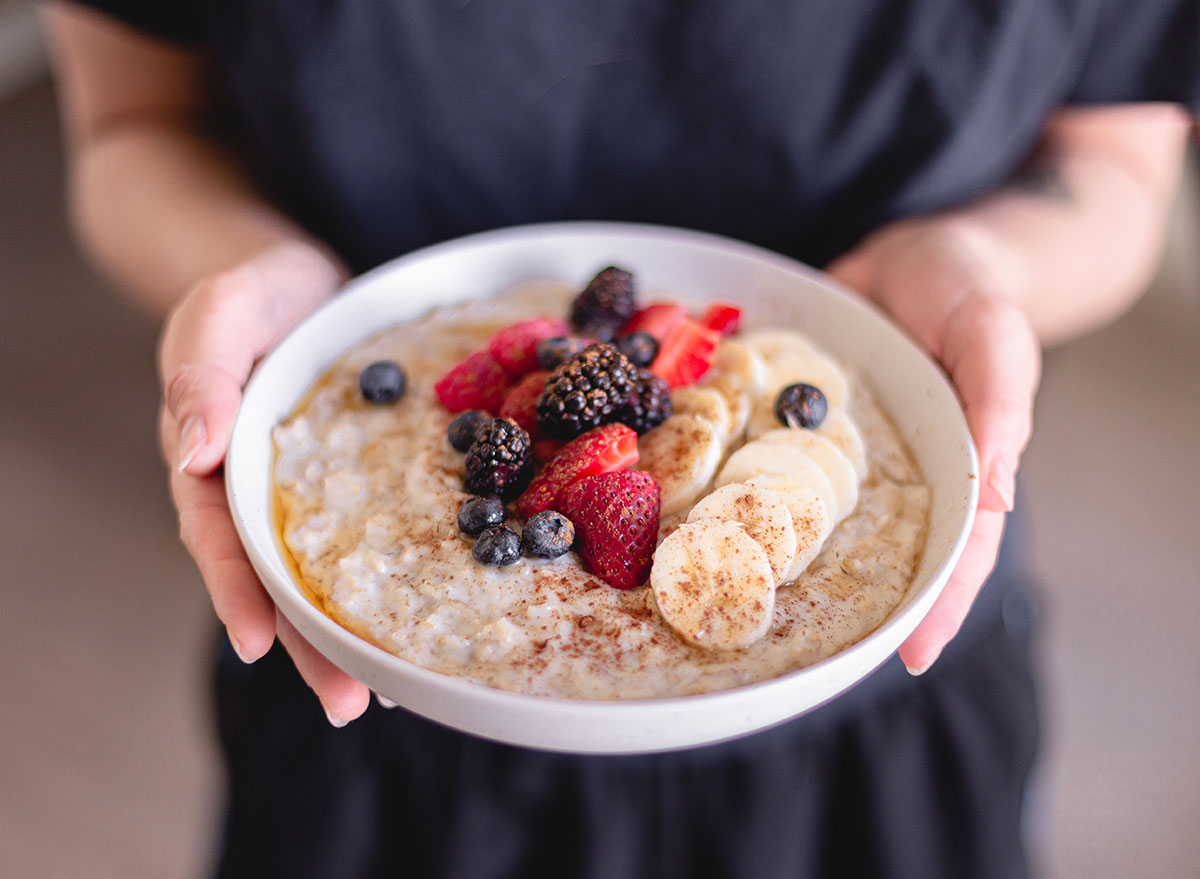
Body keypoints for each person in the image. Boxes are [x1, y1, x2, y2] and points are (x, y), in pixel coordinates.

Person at [43, 1, 1196, 876]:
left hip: (880, 716)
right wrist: (244, 275)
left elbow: (1111, 167)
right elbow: (134, 125)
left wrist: (986, 270)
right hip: (372, 730)